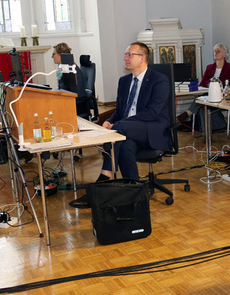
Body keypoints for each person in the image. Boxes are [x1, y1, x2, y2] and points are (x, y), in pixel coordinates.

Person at [70, 42, 172, 208]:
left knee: (120, 130)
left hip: (151, 129)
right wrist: (110, 120)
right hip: (128, 131)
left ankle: (104, 178)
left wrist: (118, 124)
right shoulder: (124, 81)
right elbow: (120, 110)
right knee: (125, 145)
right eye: (125, 54)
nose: (125, 58)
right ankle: (135, 194)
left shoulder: (159, 80)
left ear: (142, 58)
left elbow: (152, 113)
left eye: (129, 54)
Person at [177, 43, 230, 125]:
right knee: (200, 100)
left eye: (218, 51)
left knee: (200, 101)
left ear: (224, 54)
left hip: (223, 95)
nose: (215, 53)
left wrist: (218, 85)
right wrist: (211, 83)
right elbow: (202, 84)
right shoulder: (209, 67)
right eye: (214, 51)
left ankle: (186, 114)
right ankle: (198, 124)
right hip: (209, 94)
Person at [51, 42, 89, 118]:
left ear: (61, 54)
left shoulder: (72, 70)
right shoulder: (64, 68)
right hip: (68, 103)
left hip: (76, 107)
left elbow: (76, 95)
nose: (52, 57)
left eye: (53, 54)